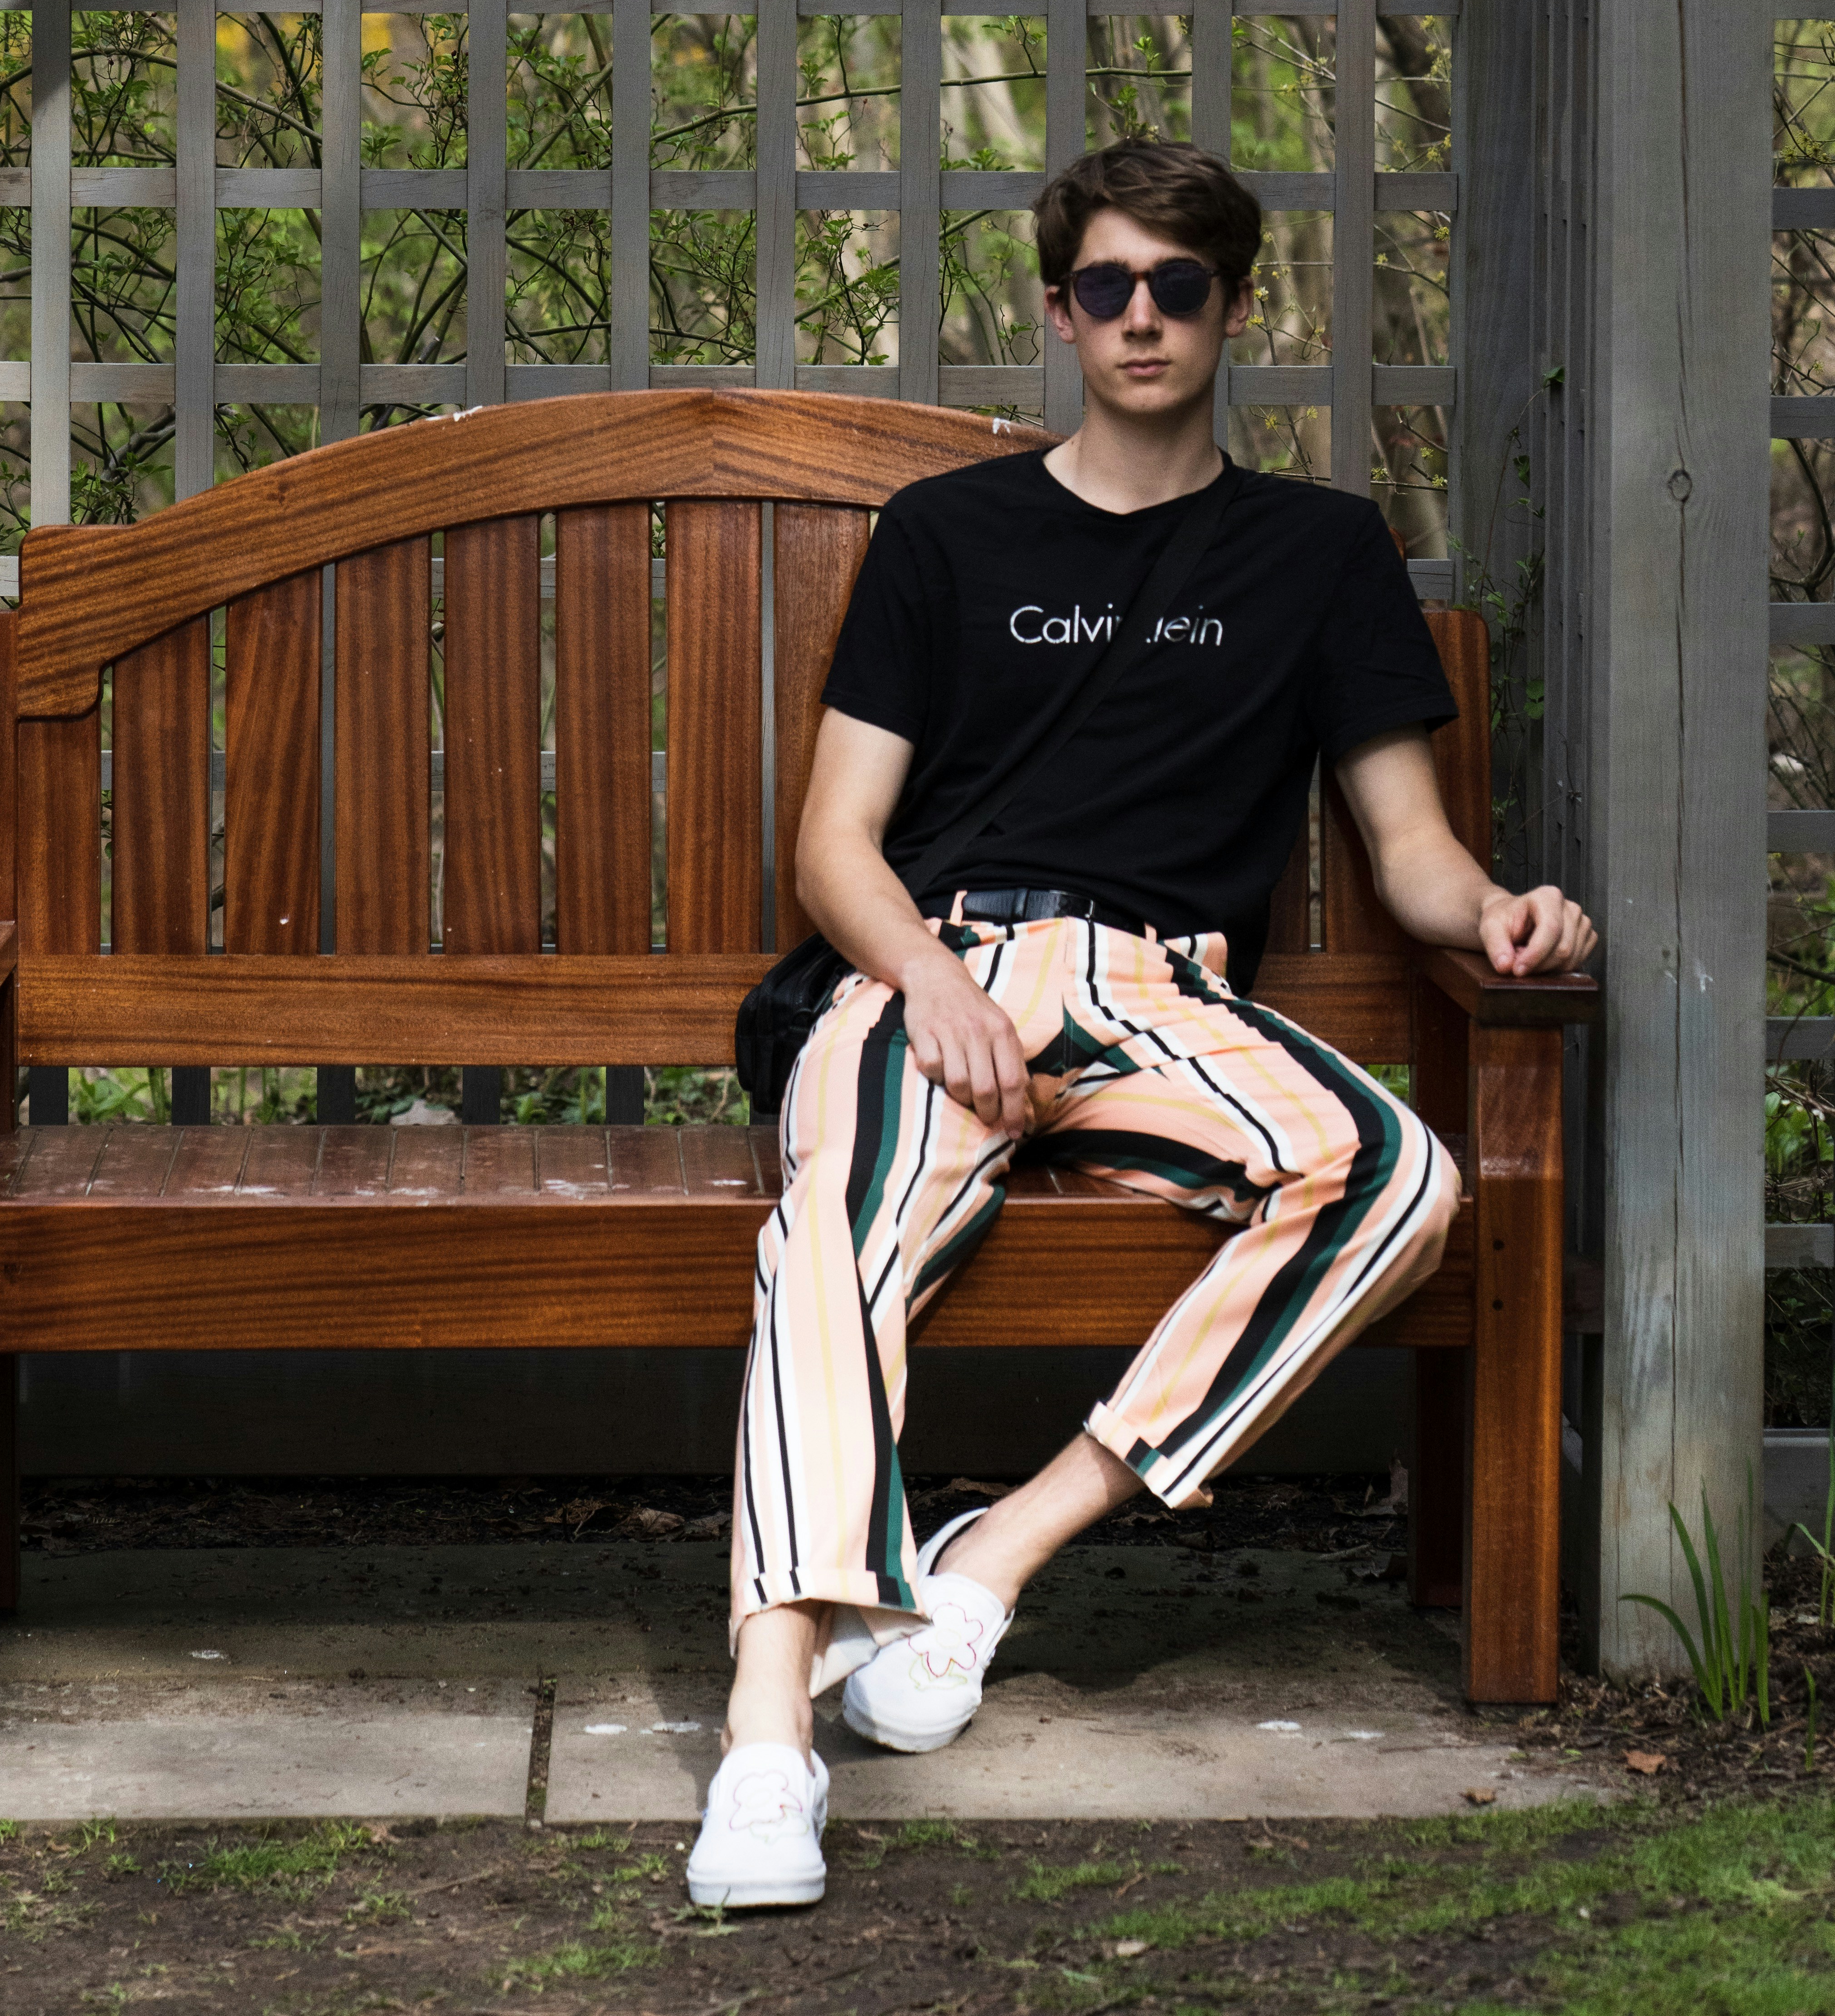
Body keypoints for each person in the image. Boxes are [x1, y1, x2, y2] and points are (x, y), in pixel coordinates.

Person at [684, 140, 1597, 1911]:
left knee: (1387, 1172)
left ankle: (990, 1558)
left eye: (1176, 286)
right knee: (835, 1225)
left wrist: (1492, 906)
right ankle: (767, 1726)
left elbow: (1403, 844)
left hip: (1161, 986)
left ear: (1228, 308)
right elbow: (831, 844)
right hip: (927, 961)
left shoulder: (1319, 551)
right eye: (1105, 286)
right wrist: (932, 984)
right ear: (1055, 311)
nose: (1140, 317)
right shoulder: (949, 530)